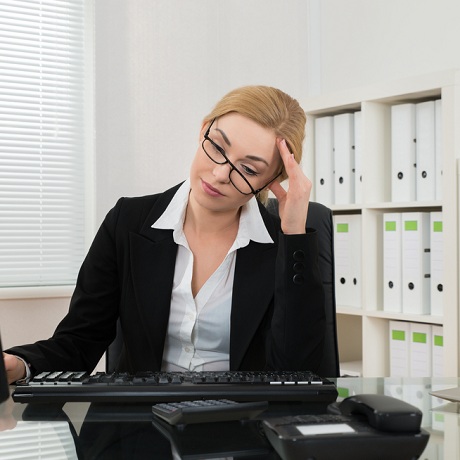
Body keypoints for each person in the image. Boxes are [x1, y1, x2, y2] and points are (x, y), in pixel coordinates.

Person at [3, 85, 325, 384]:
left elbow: (298, 369)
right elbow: (79, 340)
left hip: (242, 420)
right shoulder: (127, 222)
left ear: (271, 180)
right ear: (204, 129)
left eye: (248, 169)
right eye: (217, 146)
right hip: (139, 419)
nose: (219, 174)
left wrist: (294, 235)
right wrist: (20, 364)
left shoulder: (283, 246)